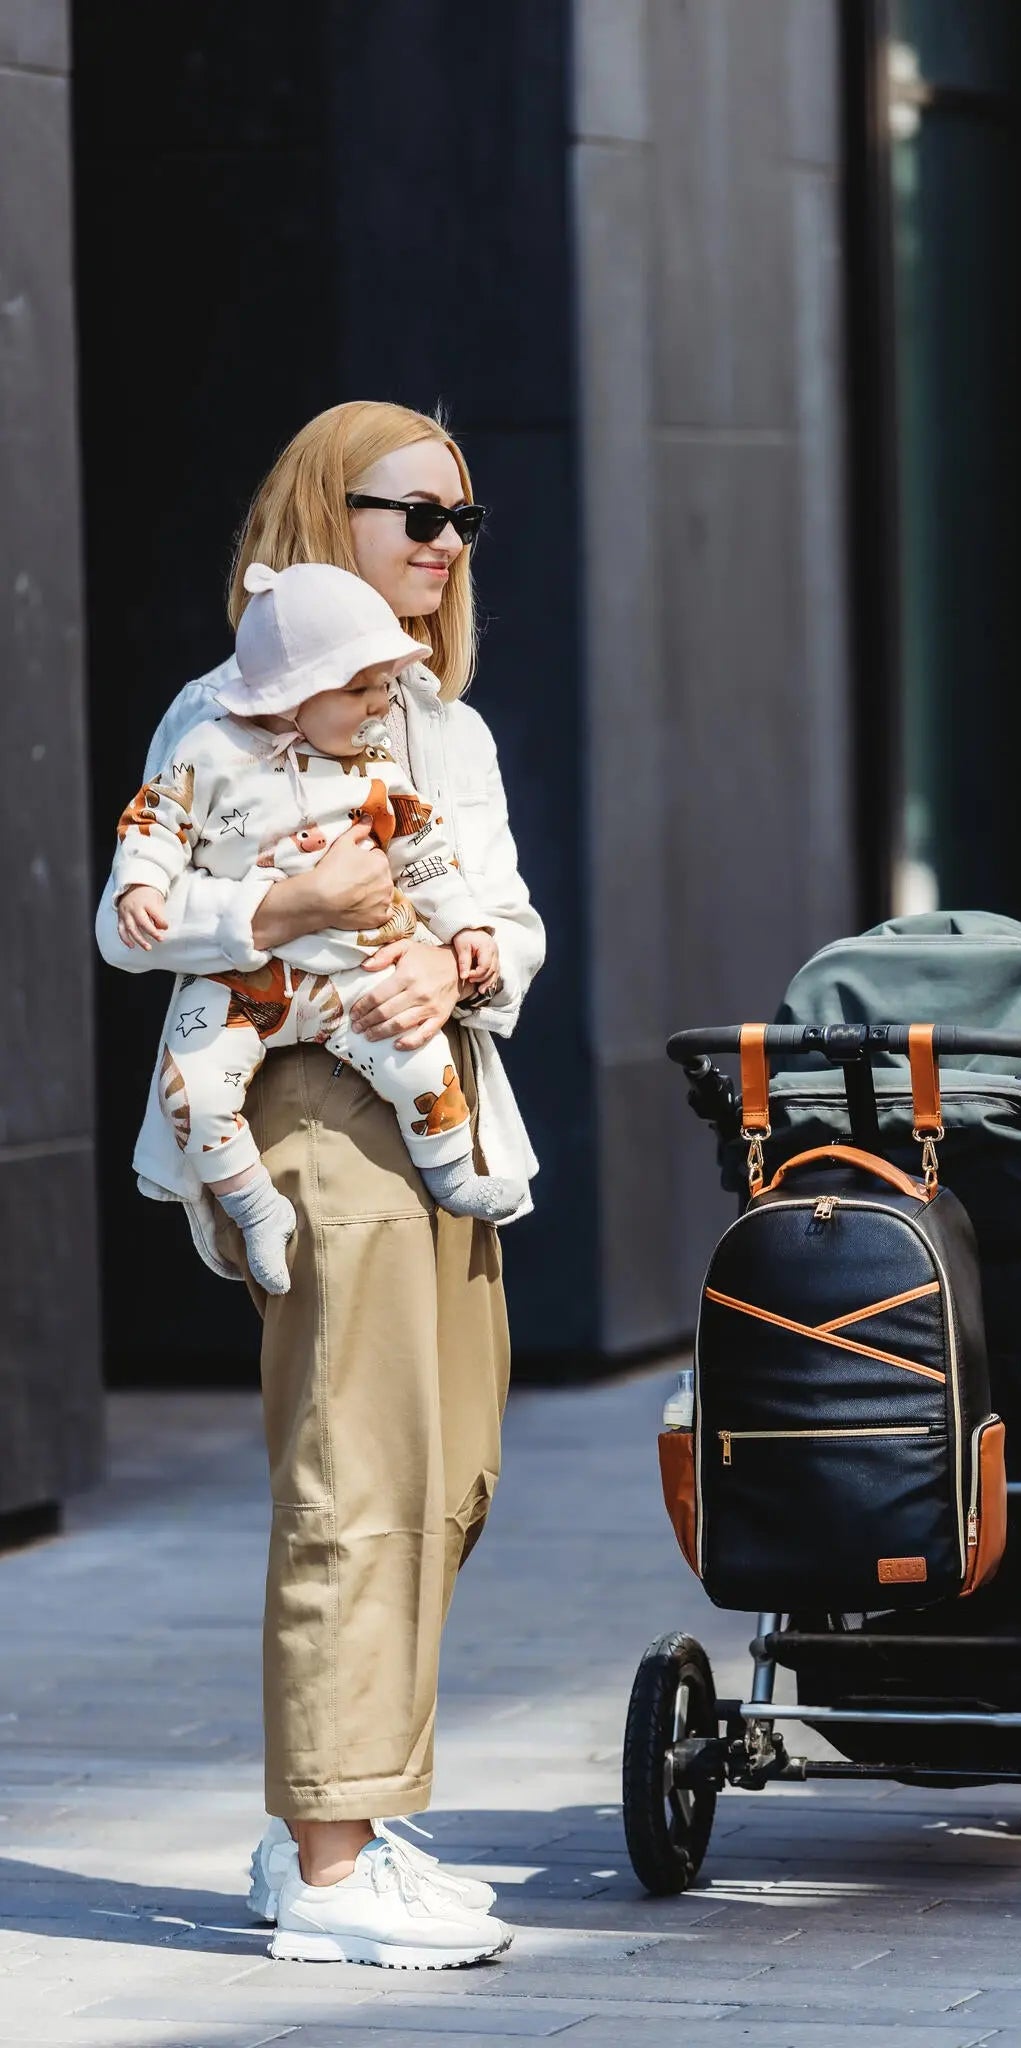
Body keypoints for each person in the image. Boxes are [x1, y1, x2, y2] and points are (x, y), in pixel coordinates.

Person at [94, 401, 544, 1969]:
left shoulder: (451, 733)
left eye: (461, 522)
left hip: (446, 1109)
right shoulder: (213, 719)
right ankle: (334, 1855)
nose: (440, 547)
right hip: (295, 1100)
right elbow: (140, 911)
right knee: (357, 1468)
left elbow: (510, 918)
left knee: (455, 1467)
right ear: (317, 512)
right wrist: (289, 900)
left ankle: (338, 1818)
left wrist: (458, 958)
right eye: (410, 513)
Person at [112, 558, 525, 1296]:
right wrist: (143, 881)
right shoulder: (210, 751)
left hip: (352, 976)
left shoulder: (373, 766)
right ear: (289, 693)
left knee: (418, 1061)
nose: (377, 707)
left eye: (383, 688)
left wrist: (465, 926)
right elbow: (157, 819)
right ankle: (254, 1208)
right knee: (193, 1092)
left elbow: (426, 852)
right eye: (359, 689)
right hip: (238, 984)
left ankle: (455, 1174)